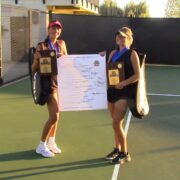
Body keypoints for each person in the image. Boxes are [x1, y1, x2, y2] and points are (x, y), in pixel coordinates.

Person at [100, 27, 140, 164]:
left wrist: (123, 83)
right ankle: (117, 149)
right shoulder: (112, 53)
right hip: (111, 92)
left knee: (116, 123)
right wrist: (99, 58)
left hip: (124, 93)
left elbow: (137, 75)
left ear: (128, 38)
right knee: (116, 124)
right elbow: (106, 69)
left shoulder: (132, 54)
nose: (120, 38)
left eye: (123, 36)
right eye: (118, 36)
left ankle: (125, 153)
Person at [32, 20, 68, 158]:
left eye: (58, 29)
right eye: (53, 28)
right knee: (54, 116)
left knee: (57, 117)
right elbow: (33, 70)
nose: (55, 31)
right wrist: (36, 60)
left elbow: (67, 61)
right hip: (48, 85)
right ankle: (41, 145)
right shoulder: (41, 46)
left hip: (60, 84)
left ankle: (52, 142)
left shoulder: (62, 44)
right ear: (48, 30)